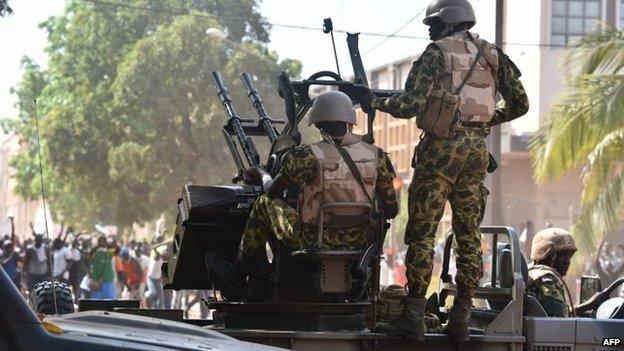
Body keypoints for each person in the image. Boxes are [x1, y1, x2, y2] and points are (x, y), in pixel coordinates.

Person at [362, 0, 529, 342]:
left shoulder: (435, 54)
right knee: (469, 234)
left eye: (432, 24)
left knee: (422, 234)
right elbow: (520, 103)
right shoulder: (491, 54)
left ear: (445, 22)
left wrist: (375, 102)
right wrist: (480, 120)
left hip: (440, 152)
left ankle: (412, 315)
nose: (429, 30)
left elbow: (410, 105)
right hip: (476, 153)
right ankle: (462, 317)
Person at [208, 90, 399, 300]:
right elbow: (391, 210)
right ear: (350, 122)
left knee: (263, 204)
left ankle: (238, 275)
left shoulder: (307, 155)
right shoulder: (376, 156)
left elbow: (272, 191)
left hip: (310, 239)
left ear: (317, 124)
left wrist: (262, 173)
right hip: (360, 242)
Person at [526, 227, 577, 317]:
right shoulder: (546, 281)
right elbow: (561, 321)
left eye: (569, 256)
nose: (567, 261)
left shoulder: (529, 272)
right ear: (548, 255)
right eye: (563, 255)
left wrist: (588, 305)